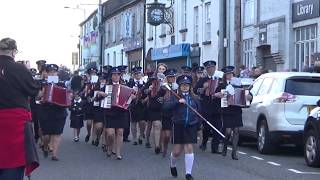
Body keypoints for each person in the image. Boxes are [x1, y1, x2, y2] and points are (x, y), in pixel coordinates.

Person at [0, 38, 40, 180]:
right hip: (14, 123)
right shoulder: (18, 68)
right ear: (14, 51)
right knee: (13, 163)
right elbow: (33, 90)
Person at [163, 75, 200, 180]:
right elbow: (165, 108)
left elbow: (199, 111)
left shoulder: (194, 98)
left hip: (191, 125)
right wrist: (177, 103)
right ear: (179, 86)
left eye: (187, 85)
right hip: (178, 125)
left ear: (190, 86)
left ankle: (188, 173)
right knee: (177, 151)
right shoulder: (174, 97)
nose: (185, 87)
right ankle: (172, 164)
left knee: (189, 147)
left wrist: (198, 124)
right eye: (183, 85)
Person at [98, 67, 136, 160]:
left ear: (120, 76)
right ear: (111, 76)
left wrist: (132, 97)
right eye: (114, 74)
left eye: (118, 74)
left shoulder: (125, 86)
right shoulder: (106, 87)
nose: (116, 76)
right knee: (110, 133)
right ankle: (109, 146)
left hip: (121, 111)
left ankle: (118, 152)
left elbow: (130, 99)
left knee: (120, 132)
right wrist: (100, 94)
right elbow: (97, 98)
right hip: (109, 111)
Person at [40, 64, 68, 161]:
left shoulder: (61, 84)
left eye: (54, 72)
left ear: (57, 73)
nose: (53, 73)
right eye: (50, 72)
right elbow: (37, 96)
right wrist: (43, 92)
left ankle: (54, 154)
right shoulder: (42, 83)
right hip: (46, 111)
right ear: (47, 73)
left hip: (59, 111)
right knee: (46, 135)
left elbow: (67, 96)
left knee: (57, 133)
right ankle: (45, 145)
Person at [194, 60, 223, 153]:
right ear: (206, 69)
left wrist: (221, 94)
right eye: (209, 68)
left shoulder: (220, 79)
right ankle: (204, 142)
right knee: (206, 127)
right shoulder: (203, 80)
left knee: (217, 127)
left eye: (212, 67)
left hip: (217, 107)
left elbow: (225, 90)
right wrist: (204, 88)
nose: (211, 69)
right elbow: (195, 91)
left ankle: (215, 148)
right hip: (206, 107)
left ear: (215, 68)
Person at [217, 66, 244, 160]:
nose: (230, 76)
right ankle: (225, 146)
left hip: (236, 109)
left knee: (236, 131)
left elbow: (244, 93)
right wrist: (218, 95)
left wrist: (249, 96)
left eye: (231, 74)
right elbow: (215, 94)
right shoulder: (222, 85)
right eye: (228, 74)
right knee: (228, 131)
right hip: (227, 110)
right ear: (225, 75)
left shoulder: (238, 84)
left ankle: (234, 152)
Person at [145, 63, 167, 153]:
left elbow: (173, 92)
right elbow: (144, 91)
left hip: (165, 107)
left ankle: (161, 144)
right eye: (160, 69)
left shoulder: (168, 80)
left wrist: (166, 89)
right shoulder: (151, 80)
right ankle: (157, 146)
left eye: (163, 69)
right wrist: (149, 89)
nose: (161, 71)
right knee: (157, 125)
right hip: (154, 106)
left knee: (163, 128)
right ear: (157, 70)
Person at [127, 67, 147, 145]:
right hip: (133, 104)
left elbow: (146, 93)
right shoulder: (130, 83)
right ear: (133, 75)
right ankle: (135, 138)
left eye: (139, 73)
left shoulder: (144, 83)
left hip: (142, 104)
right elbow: (126, 93)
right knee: (133, 122)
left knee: (142, 122)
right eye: (136, 74)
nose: (138, 75)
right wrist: (131, 96)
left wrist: (145, 99)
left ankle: (141, 135)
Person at [160, 68, 178, 157]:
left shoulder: (178, 87)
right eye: (170, 77)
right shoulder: (162, 87)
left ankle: (174, 149)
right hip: (165, 113)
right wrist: (163, 98)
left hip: (175, 112)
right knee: (167, 135)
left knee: (171, 133)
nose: (171, 79)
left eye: (173, 77)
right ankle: (165, 146)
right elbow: (158, 99)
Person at [83, 67, 98, 143]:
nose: (93, 74)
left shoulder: (98, 83)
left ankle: (93, 138)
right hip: (89, 104)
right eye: (92, 73)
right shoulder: (86, 83)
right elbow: (83, 93)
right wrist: (85, 92)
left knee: (95, 122)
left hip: (96, 104)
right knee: (89, 123)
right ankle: (88, 133)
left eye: (94, 73)